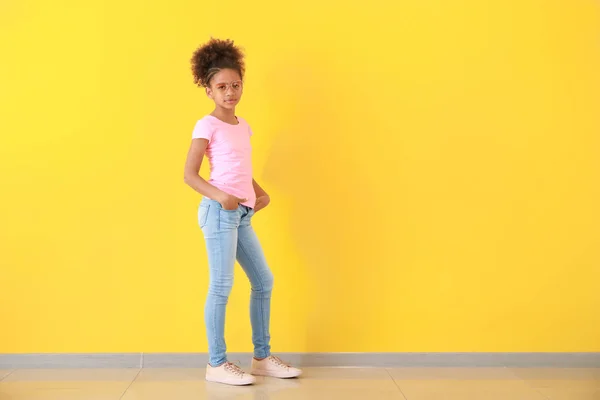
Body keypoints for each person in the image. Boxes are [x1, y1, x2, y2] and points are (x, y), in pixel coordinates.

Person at [183, 38, 302, 386]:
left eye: (235, 85)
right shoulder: (206, 126)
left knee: (263, 281)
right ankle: (216, 364)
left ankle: (261, 358)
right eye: (221, 87)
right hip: (219, 213)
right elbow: (190, 175)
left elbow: (236, 168)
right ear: (208, 90)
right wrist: (222, 197)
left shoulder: (242, 125)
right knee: (221, 286)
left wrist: (257, 193)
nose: (230, 92)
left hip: (241, 214)